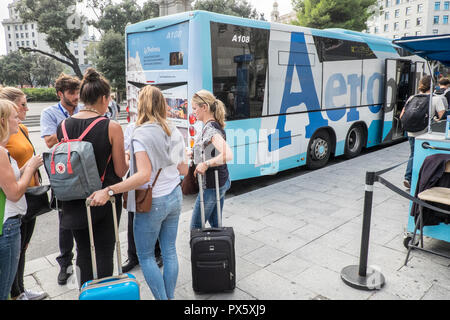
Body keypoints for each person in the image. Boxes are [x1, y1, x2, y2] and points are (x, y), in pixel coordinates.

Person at [88, 85, 187, 300]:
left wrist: (110, 190)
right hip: (175, 196)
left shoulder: (139, 133)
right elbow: (184, 169)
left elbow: (143, 176)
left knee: (146, 256)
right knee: (169, 251)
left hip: (152, 202)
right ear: (163, 104)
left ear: (140, 105)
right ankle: (169, 297)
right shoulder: (174, 130)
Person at [55, 68, 128, 286]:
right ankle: (103, 292)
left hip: (73, 200)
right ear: (104, 98)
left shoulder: (63, 126)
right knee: (105, 251)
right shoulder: (111, 126)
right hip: (104, 200)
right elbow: (121, 170)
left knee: (83, 252)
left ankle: (85, 292)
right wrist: (126, 156)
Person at [0, 87, 48, 300]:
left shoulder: (22, 132)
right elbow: (12, 192)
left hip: (28, 198)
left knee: (21, 250)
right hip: (10, 211)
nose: (23, 113)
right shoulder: (2, 148)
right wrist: (29, 168)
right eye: (21, 107)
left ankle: (19, 290)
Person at [40, 73, 80, 285]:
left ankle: (84, 257)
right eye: (72, 93)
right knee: (65, 220)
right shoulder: (50, 113)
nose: (76, 97)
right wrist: (70, 124)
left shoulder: (83, 109)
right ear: (60, 94)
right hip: (62, 172)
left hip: (83, 170)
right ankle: (65, 263)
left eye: (77, 92)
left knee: (86, 214)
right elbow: (48, 142)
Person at [121, 122, 163, 273]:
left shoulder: (160, 127)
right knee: (132, 216)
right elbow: (125, 149)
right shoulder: (132, 127)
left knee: (153, 215)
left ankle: (158, 252)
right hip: (134, 175)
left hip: (153, 177)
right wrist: (126, 157)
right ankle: (133, 256)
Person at [190, 90, 233, 230]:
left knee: (195, 227)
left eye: (195, 108)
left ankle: (204, 251)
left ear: (204, 107)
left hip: (212, 185)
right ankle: (221, 250)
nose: (193, 112)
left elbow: (228, 154)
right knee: (216, 224)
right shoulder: (210, 126)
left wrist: (206, 163)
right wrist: (193, 153)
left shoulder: (211, 129)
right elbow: (209, 151)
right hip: (218, 181)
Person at [400, 75, 446, 189]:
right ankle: (420, 180)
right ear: (433, 85)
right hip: (425, 133)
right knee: (425, 156)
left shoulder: (412, 97)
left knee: (413, 154)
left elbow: (402, 115)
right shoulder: (436, 98)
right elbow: (442, 117)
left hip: (410, 132)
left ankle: (408, 177)